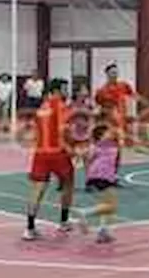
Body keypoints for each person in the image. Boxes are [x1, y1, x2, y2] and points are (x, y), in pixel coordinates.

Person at [23, 79, 76, 241]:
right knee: (68, 184)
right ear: (57, 91)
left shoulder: (42, 108)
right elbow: (64, 130)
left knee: (37, 191)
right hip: (58, 152)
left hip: (40, 153)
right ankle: (64, 221)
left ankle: (30, 228)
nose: (67, 91)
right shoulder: (61, 107)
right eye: (65, 89)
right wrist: (72, 148)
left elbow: (34, 129)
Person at [75, 123, 120, 244]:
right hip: (102, 177)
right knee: (111, 206)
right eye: (108, 132)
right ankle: (84, 213)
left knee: (105, 204)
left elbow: (87, 157)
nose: (111, 133)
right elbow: (87, 157)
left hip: (101, 176)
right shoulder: (103, 145)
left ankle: (102, 232)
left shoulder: (103, 145)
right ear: (101, 135)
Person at [95, 63, 136, 180]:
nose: (115, 75)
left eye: (116, 72)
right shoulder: (102, 91)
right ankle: (103, 174)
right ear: (107, 74)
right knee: (108, 151)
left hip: (120, 124)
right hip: (108, 125)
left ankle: (112, 174)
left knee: (118, 151)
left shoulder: (124, 86)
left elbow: (132, 97)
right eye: (112, 72)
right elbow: (99, 108)